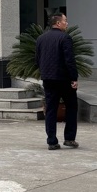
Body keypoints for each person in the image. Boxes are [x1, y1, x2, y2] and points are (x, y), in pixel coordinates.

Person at [34, 13, 79, 151]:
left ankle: (52, 141)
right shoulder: (65, 38)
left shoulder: (41, 38)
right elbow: (69, 60)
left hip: (48, 78)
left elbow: (37, 59)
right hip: (64, 79)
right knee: (71, 107)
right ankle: (69, 138)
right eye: (65, 21)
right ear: (58, 23)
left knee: (51, 109)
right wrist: (74, 78)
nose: (67, 23)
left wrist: (44, 72)